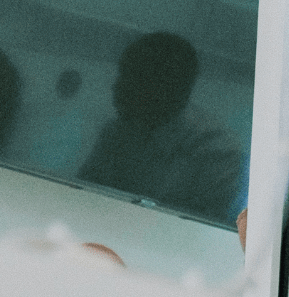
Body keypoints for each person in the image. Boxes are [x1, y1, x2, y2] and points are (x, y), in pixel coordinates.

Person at [78, 32, 244, 224]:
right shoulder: (117, 132)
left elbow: (199, 228)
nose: (116, 87)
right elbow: (83, 193)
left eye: (130, 78)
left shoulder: (217, 152)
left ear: (164, 88)